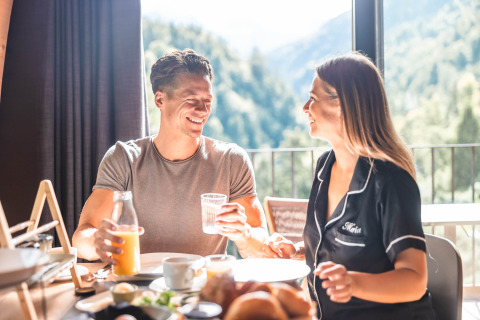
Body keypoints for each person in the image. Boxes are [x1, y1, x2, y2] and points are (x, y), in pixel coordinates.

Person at [262, 52, 437, 319]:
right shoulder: (324, 167)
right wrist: (297, 251)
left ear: (343, 105)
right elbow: (333, 247)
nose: (305, 107)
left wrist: (353, 283)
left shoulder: (390, 181)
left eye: (313, 98)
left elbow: (414, 280)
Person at [73, 49, 268, 264]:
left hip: (205, 289)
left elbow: (260, 247)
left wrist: (244, 235)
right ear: (159, 100)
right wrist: (96, 242)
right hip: (139, 289)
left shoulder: (231, 160)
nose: (203, 110)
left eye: (208, 101)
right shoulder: (124, 158)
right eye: (192, 99)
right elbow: (82, 237)